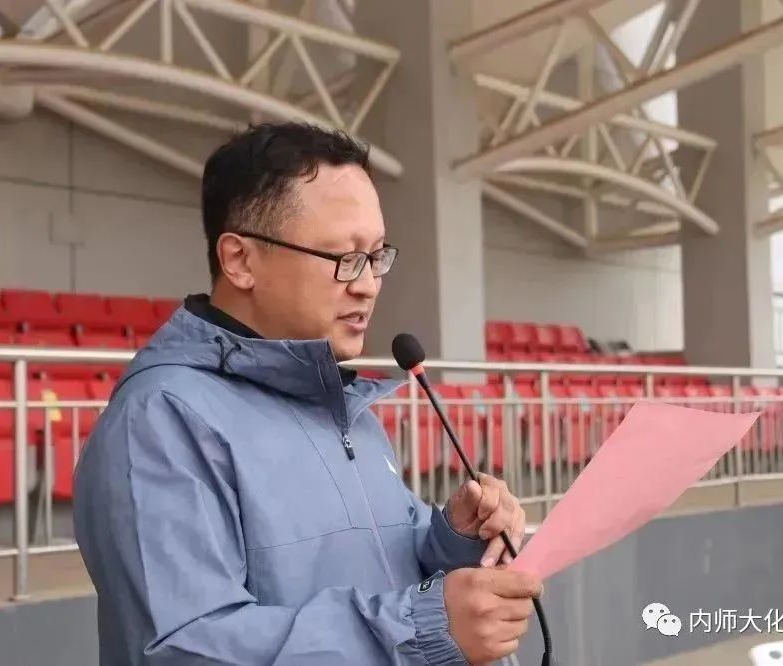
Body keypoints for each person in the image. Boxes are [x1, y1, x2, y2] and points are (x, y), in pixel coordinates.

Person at [73, 122, 543, 665]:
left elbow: (387, 565)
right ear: (240, 260)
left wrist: (455, 539)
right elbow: (184, 647)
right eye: (343, 259)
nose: (367, 284)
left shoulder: (341, 404)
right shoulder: (161, 420)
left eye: (376, 257)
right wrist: (420, 629)